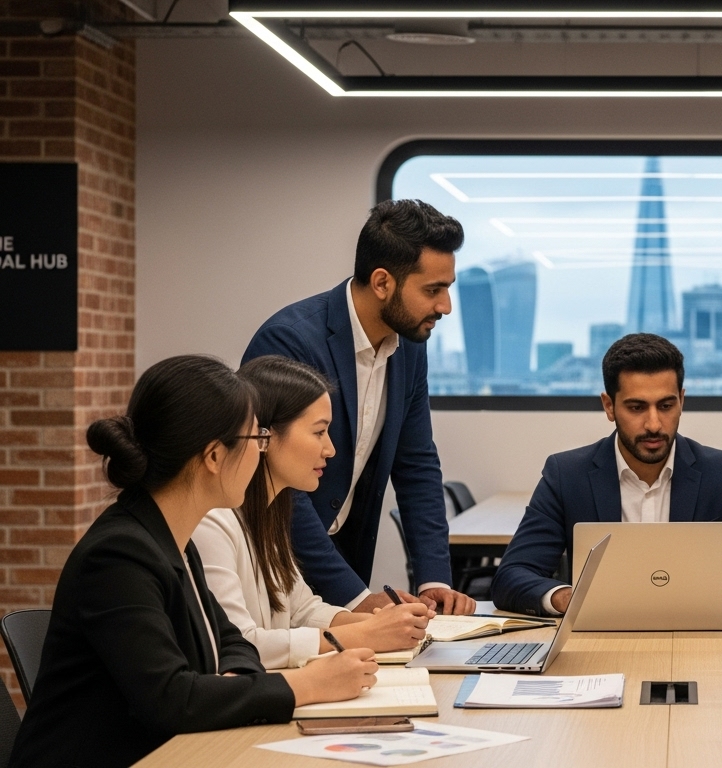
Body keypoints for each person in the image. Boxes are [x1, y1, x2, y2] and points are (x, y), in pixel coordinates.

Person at [9, 355, 378, 768]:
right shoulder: (118, 556)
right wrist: (302, 685)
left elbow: (232, 642)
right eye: (256, 441)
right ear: (215, 457)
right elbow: (171, 699)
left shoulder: (172, 538)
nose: (259, 455)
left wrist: (234, 684)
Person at [244, 200, 474, 615]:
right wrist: (355, 597)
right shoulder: (290, 342)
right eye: (432, 290)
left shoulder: (408, 348)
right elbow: (276, 482)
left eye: (448, 289)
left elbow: (417, 464)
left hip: (346, 557)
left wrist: (433, 578)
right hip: (280, 562)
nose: (445, 307)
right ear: (383, 282)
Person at [492, 334, 722, 616]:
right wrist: (566, 597)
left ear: (682, 401)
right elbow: (512, 576)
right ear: (609, 406)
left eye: (666, 406)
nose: (654, 424)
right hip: (598, 645)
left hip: (698, 644)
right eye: (637, 407)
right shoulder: (568, 475)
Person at [193, 356, 434, 670]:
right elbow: (240, 645)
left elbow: (303, 609)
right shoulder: (212, 522)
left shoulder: (271, 511)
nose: (330, 449)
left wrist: (388, 623)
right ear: (264, 436)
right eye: (319, 432)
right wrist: (366, 632)